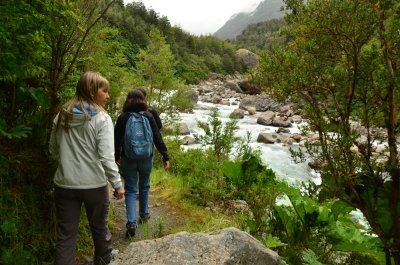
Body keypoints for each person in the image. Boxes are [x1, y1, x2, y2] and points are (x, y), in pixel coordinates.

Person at [49, 71, 125, 265]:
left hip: (64, 184)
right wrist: (117, 184)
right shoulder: (101, 118)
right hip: (94, 186)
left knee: (66, 236)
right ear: (92, 91)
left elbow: (53, 150)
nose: (108, 96)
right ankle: (103, 260)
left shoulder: (62, 115)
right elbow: (107, 157)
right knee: (99, 229)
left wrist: (66, 163)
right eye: (105, 91)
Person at [114, 89, 170, 238]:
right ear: (143, 101)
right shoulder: (149, 116)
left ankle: (131, 223)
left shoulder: (123, 117)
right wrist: (165, 157)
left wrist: (116, 156)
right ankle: (144, 214)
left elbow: (117, 139)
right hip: (146, 158)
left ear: (128, 101)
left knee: (131, 189)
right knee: (144, 186)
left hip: (129, 158)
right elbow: (157, 138)